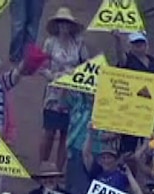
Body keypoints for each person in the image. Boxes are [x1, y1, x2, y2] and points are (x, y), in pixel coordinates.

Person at [38, 7, 88, 169]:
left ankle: (59, 169)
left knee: (66, 134)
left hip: (73, 93)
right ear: (57, 25)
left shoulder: (78, 43)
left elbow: (87, 65)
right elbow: (41, 66)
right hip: (54, 92)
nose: (64, 27)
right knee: (49, 131)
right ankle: (43, 165)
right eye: (61, 23)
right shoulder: (50, 43)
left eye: (67, 23)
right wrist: (53, 76)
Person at [113, 31, 154, 155]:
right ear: (131, 45)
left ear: (146, 44)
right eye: (135, 43)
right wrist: (118, 41)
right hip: (133, 110)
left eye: (141, 42)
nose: (139, 46)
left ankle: (152, 171)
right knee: (129, 146)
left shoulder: (153, 61)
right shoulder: (128, 60)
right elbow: (120, 57)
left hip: (152, 110)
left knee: (153, 144)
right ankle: (126, 171)